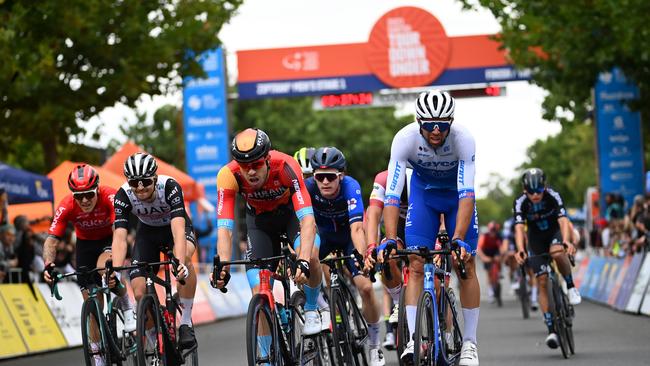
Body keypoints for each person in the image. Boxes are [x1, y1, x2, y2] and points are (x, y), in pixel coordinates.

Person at [378, 90, 480, 366]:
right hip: (424, 196)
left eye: (442, 125)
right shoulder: (404, 139)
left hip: (455, 198)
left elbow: (466, 194)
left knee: (465, 263)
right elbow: (391, 194)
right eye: (430, 125)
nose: (436, 131)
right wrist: (389, 238)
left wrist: (458, 239)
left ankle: (469, 343)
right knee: (415, 261)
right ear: (418, 122)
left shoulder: (463, 139)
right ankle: (413, 337)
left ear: (451, 122)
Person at [212, 128, 323, 340]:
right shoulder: (227, 175)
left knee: (312, 255)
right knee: (259, 293)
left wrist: (303, 260)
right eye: (245, 166)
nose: (251, 172)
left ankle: (311, 309)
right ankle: (265, 359)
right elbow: (224, 229)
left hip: (291, 216)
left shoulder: (286, 166)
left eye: (256, 165)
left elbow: (307, 219)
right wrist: (222, 266)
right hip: (260, 223)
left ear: (268, 159)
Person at [42, 164, 135, 365]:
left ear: (98, 189)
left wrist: (115, 262)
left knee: (105, 269)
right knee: (91, 303)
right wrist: (48, 264)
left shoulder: (110, 196)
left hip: (109, 239)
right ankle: (97, 353)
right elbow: (51, 240)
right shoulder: (66, 205)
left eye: (89, 194)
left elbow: (119, 233)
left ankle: (126, 302)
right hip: (84, 245)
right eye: (78, 195)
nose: (84, 200)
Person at [305, 147, 385, 365]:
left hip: (348, 237)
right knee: (305, 266)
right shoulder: (308, 188)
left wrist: (361, 257)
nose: (325, 182)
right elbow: (305, 227)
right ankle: (323, 308)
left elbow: (358, 228)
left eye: (330, 176)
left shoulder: (351, 187)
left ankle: (374, 344)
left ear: (341, 175)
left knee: (366, 288)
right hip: (324, 237)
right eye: (319, 177)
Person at [111, 153, 198, 349]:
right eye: (134, 182)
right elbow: (120, 237)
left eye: (145, 182)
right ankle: (156, 344)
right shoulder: (123, 195)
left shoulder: (169, 187)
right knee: (140, 290)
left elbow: (178, 229)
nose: (140, 187)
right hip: (147, 233)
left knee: (183, 256)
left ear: (155, 178)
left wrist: (180, 263)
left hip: (174, 229)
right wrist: (116, 273)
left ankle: (185, 323)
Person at [513, 167, 581, 349]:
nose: (535, 195)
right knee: (542, 281)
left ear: (544, 187)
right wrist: (520, 249)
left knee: (558, 252)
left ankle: (571, 286)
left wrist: (566, 240)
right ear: (524, 190)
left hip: (554, 233)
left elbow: (563, 220)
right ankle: (551, 329)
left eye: (539, 191)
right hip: (536, 240)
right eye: (531, 192)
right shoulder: (520, 202)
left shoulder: (553, 195)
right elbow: (519, 228)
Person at [363, 168, 413, 350]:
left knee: (436, 280)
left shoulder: (422, 174)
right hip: (397, 229)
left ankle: (442, 329)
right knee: (387, 257)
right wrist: (370, 248)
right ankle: (400, 302)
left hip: (423, 224)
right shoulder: (383, 179)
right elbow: (373, 215)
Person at [477, 221, 502, 304]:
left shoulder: (499, 237)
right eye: (492, 231)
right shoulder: (485, 236)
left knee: (497, 269)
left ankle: (498, 276)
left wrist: (500, 256)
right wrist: (484, 258)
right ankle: (490, 292)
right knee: (489, 273)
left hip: (495, 254)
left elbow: (502, 248)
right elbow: (479, 248)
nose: (493, 233)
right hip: (487, 254)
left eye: (495, 231)